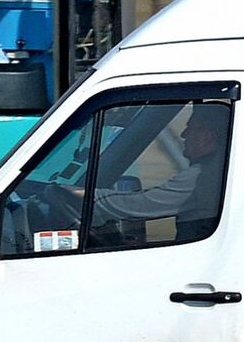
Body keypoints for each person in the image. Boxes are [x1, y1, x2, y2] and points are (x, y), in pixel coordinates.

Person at [83, 103, 229, 241]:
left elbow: (139, 205)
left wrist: (85, 197)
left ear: (208, 137)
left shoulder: (203, 177)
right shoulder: (218, 171)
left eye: (190, 128)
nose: (184, 134)